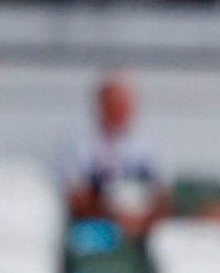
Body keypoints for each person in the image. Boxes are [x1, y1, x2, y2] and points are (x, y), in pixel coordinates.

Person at [64, 72, 166, 236]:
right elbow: (77, 197)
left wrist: (143, 219)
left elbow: (159, 192)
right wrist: (113, 217)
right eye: (116, 103)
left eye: (126, 104)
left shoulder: (144, 146)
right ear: (101, 105)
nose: (123, 110)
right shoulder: (80, 145)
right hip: (95, 224)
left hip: (140, 224)